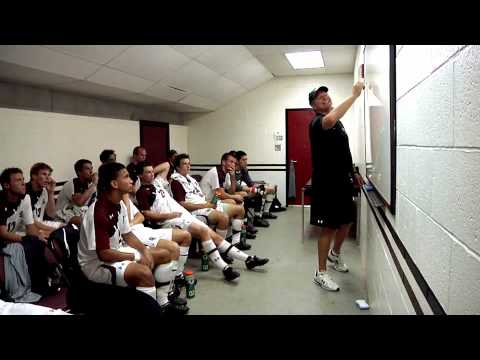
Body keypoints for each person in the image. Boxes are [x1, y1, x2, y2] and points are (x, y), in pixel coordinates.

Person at [76, 162, 189, 314]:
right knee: (144, 273)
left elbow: (128, 234)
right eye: (126, 177)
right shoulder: (98, 212)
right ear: (114, 183)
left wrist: (144, 250)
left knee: (165, 254)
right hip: (96, 265)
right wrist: (135, 256)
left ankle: (162, 303)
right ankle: (149, 309)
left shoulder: (118, 205)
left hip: (115, 251)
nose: (131, 180)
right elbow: (103, 254)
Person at [136, 161, 269, 282]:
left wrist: (150, 170)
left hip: (183, 215)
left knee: (213, 235)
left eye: (153, 171)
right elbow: (147, 215)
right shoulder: (142, 192)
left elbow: (166, 165)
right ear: (140, 176)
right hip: (170, 220)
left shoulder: (158, 182)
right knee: (204, 231)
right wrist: (170, 215)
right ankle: (225, 268)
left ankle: (248, 259)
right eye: (147, 172)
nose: (152, 174)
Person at [308, 81, 365, 292]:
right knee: (329, 227)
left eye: (326, 95)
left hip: (343, 181)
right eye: (320, 98)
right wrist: (354, 95)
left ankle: (335, 254)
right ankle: (321, 273)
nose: (326, 98)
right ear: (314, 106)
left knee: (346, 221)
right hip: (327, 184)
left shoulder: (338, 125)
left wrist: (354, 173)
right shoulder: (317, 122)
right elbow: (331, 118)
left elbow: (344, 152)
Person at [170, 153, 251, 251]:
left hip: (210, 201)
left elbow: (230, 191)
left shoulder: (191, 179)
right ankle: (222, 248)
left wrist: (233, 176)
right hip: (204, 204)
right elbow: (219, 194)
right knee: (228, 209)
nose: (188, 166)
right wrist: (208, 204)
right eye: (184, 164)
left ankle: (235, 243)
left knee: (240, 209)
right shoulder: (176, 181)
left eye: (189, 163)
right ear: (178, 167)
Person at [0, 167, 52, 295]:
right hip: (2, 239)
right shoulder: (0, 201)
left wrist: (40, 236)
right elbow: (3, 233)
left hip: (12, 237)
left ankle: (42, 284)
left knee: (39, 242)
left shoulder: (25, 198)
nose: (23, 182)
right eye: (18, 180)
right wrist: (26, 239)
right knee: (28, 245)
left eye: (23, 179)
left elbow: (31, 226)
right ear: (6, 185)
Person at [26, 162, 64, 238]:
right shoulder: (25, 192)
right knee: (58, 234)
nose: (48, 178)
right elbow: (30, 221)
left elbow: (51, 214)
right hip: (28, 227)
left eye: (49, 175)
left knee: (66, 228)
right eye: (44, 174)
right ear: (34, 176)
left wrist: (51, 193)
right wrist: (52, 229)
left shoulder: (44, 190)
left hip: (41, 223)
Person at [55, 159, 97, 226]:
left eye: (91, 168)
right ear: (79, 172)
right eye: (87, 169)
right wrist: (94, 184)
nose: (91, 171)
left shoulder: (89, 185)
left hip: (76, 213)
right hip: (62, 216)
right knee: (88, 222)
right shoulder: (73, 184)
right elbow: (80, 202)